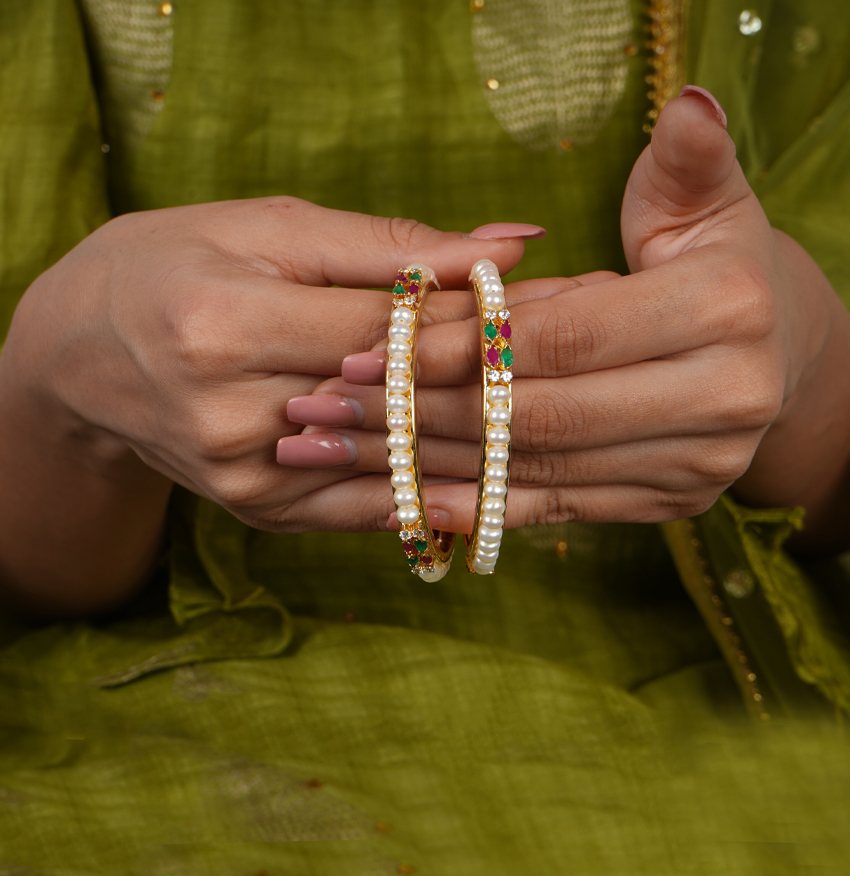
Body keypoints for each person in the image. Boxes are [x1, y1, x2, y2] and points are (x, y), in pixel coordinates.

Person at [1, 0, 850, 872]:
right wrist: (62, 375)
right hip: (147, 716)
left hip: (726, 700)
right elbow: (39, 578)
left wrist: (800, 345)